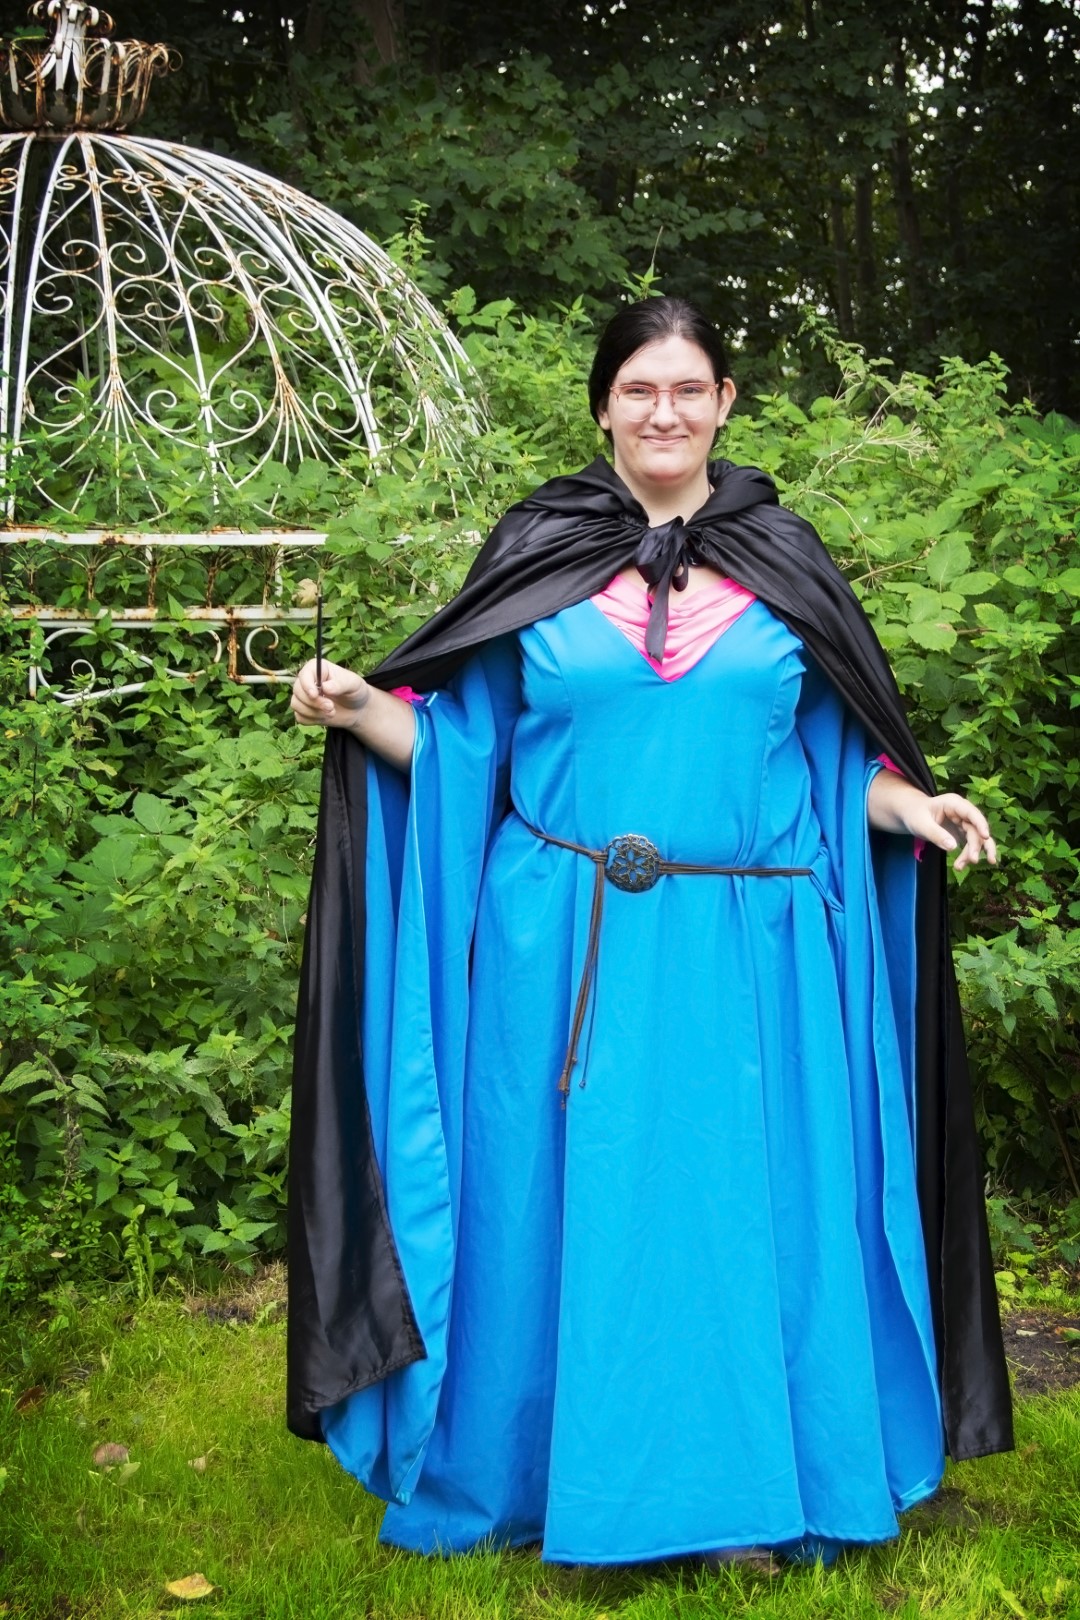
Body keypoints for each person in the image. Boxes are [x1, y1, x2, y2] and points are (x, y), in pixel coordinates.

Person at [286, 297, 1013, 1567]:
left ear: (725, 402)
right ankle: (533, 1476)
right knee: (547, 1209)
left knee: (733, 1211)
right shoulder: (540, 552)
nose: (662, 412)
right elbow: (463, 751)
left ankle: (741, 1494)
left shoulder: (785, 561)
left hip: (748, 952)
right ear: (603, 408)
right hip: (559, 951)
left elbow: (830, 761)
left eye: (687, 389)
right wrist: (358, 710)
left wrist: (916, 806)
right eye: (638, 389)